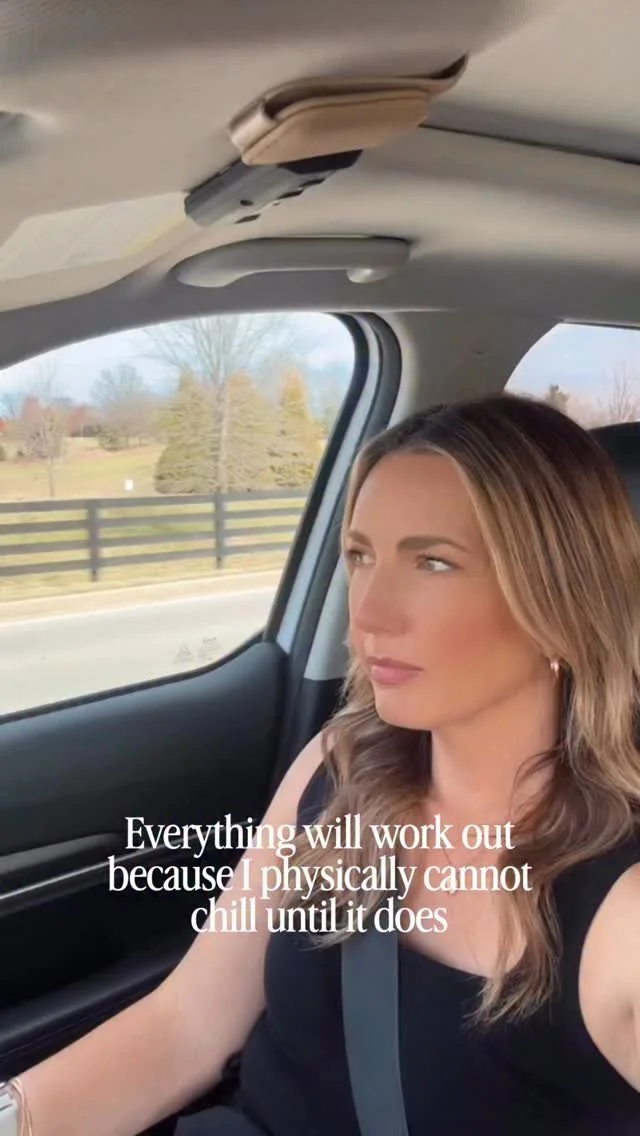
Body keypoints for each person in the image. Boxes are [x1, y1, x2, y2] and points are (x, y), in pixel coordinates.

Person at [4, 392, 640, 1135]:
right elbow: (186, 1026)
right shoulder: (340, 765)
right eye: (361, 556)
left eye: (435, 562)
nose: (368, 614)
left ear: (560, 602)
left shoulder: (620, 910)